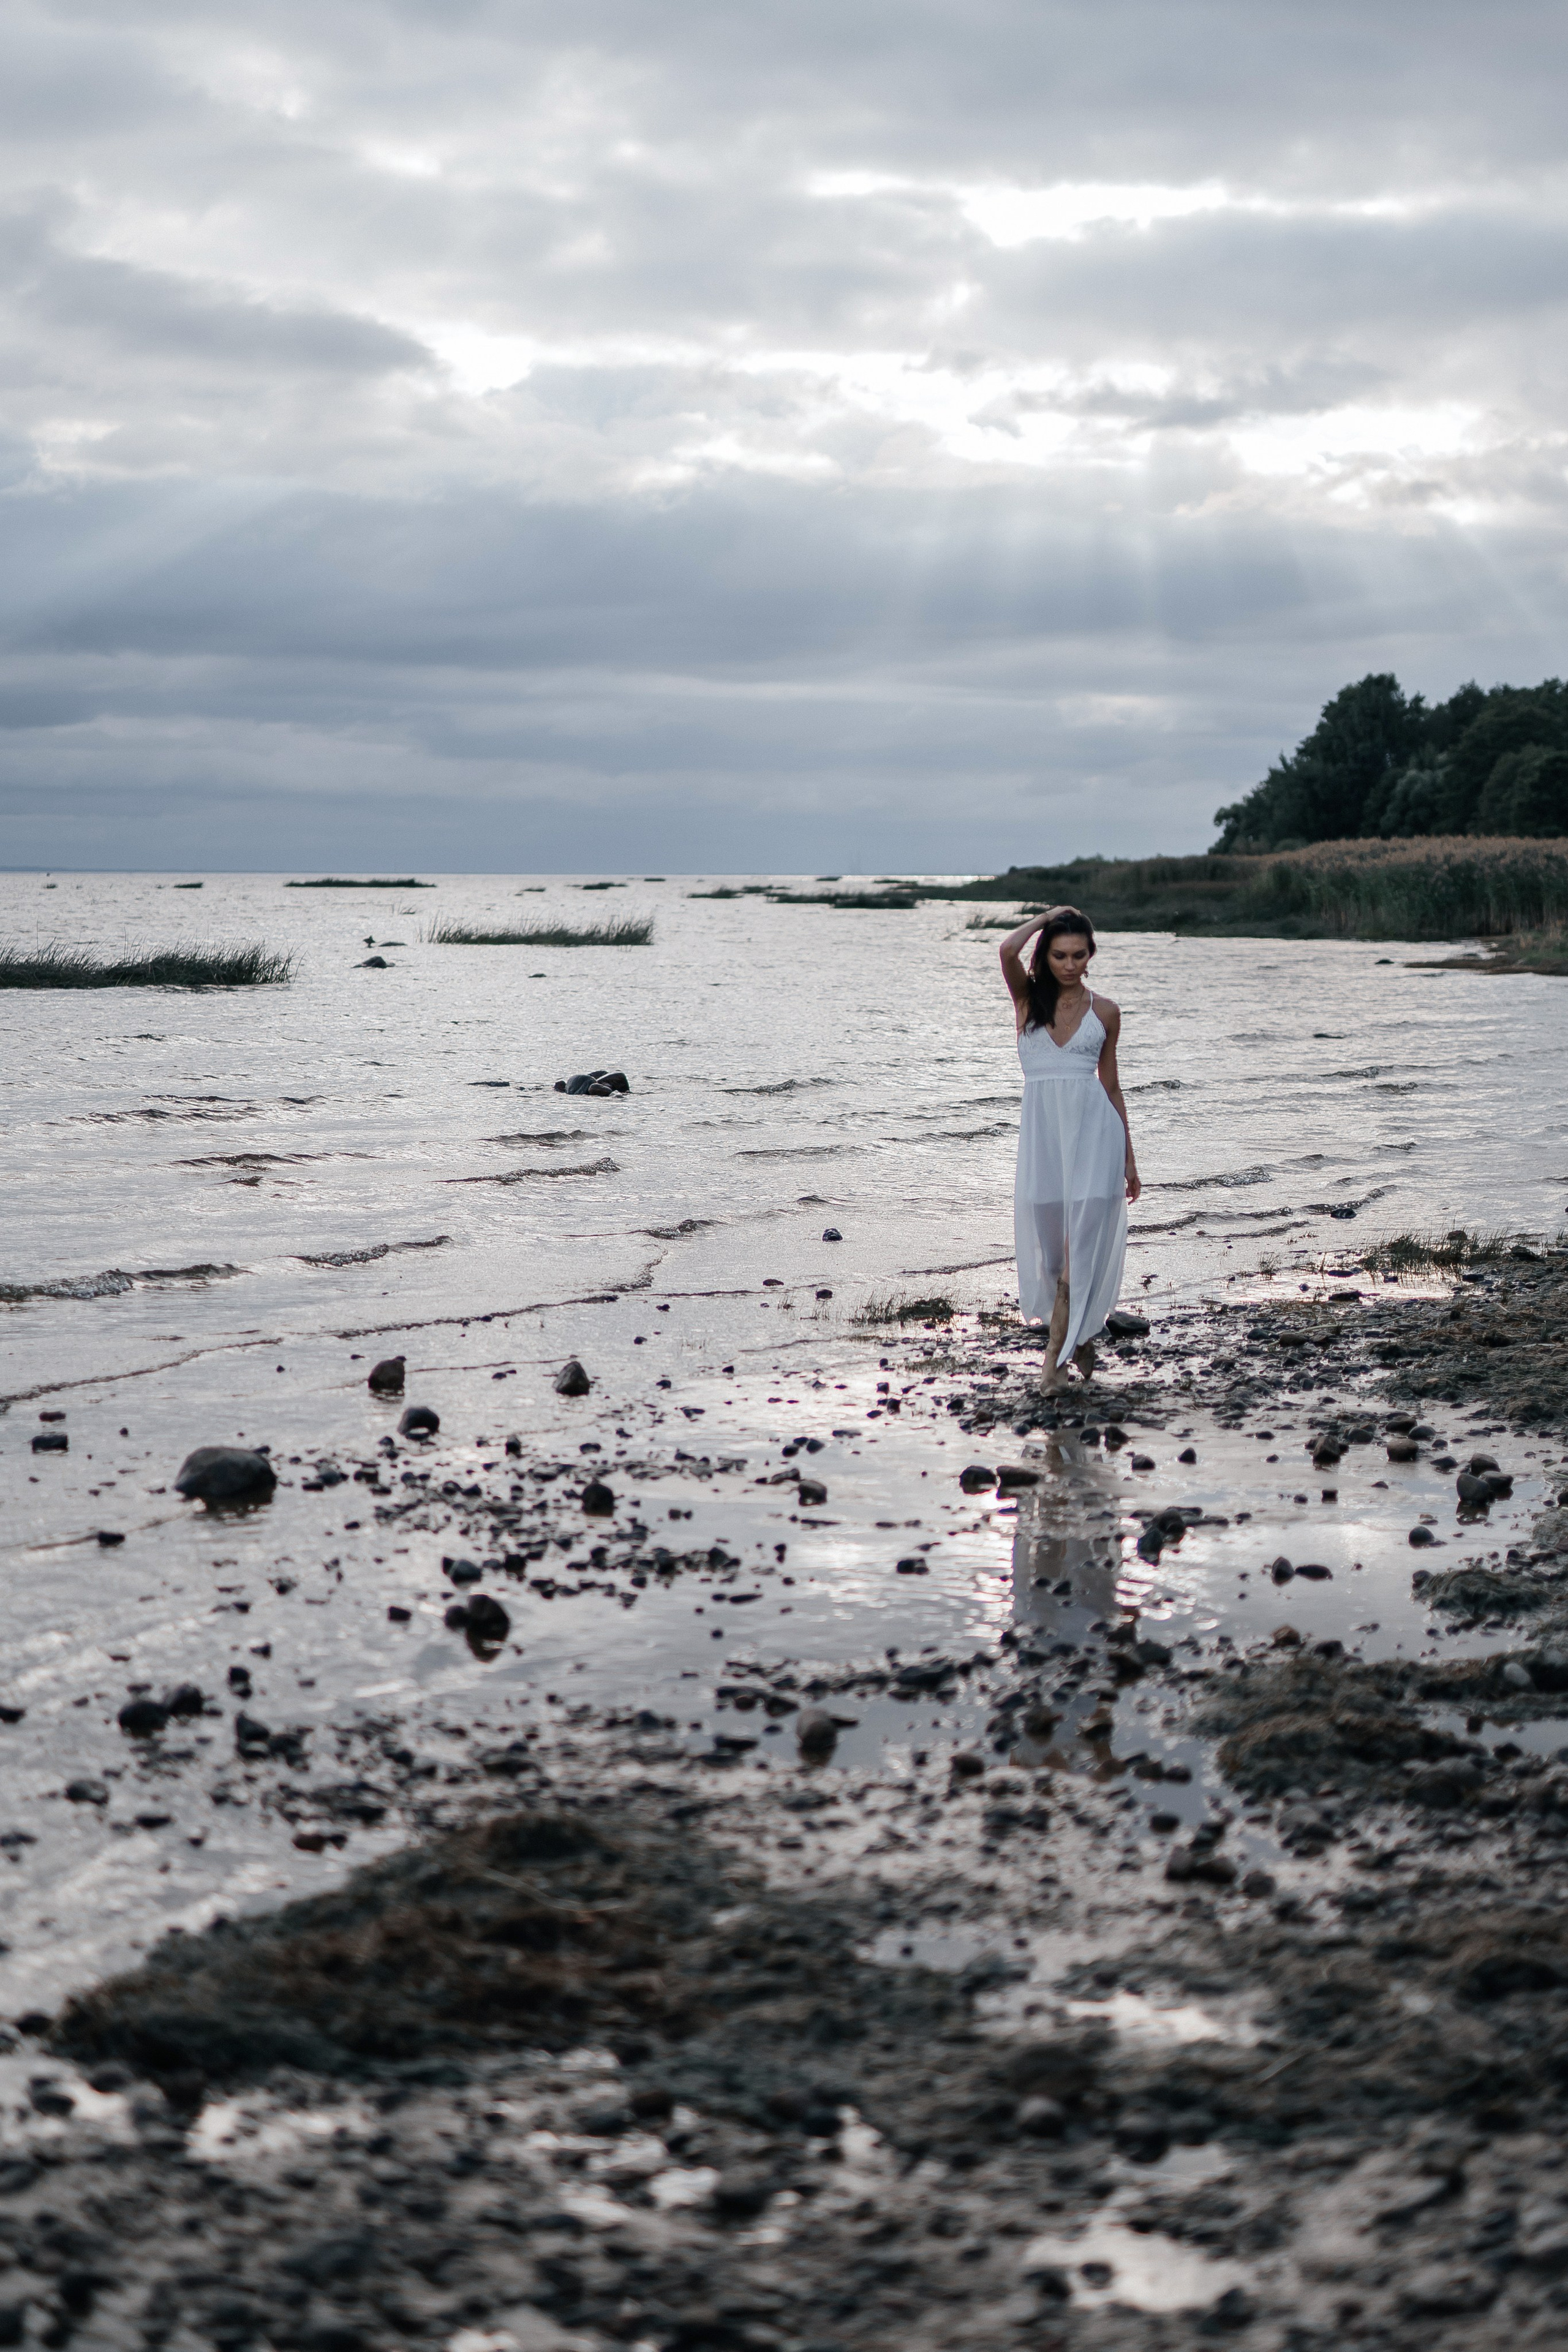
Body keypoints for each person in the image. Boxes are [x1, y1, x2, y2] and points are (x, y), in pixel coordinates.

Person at [999, 905, 1140, 1390]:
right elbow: (1007, 950)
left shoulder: (1106, 1012)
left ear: (1091, 955)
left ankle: (1052, 1366)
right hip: (1044, 1148)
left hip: (1096, 1142)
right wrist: (1046, 917)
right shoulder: (1027, 1002)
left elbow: (1112, 1087)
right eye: (1059, 955)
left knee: (1076, 1252)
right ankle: (1079, 1335)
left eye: (1079, 955)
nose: (1070, 964)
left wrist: (1129, 1158)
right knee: (1053, 1261)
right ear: (1046, 956)